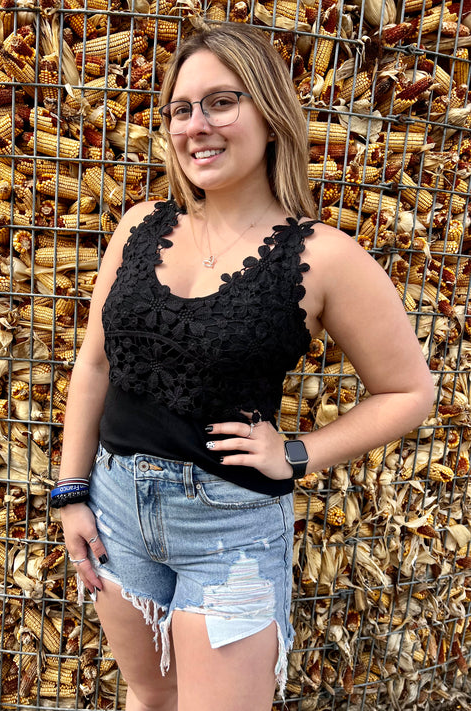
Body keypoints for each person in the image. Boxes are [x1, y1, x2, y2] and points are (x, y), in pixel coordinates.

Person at [56, 23, 434, 711]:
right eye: (180, 108)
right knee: (149, 697)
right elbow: (94, 362)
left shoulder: (321, 257)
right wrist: (70, 492)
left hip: (226, 530)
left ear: (268, 115)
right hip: (116, 512)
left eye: (220, 102)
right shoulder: (139, 227)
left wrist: (296, 451)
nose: (195, 125)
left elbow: (408, 390)